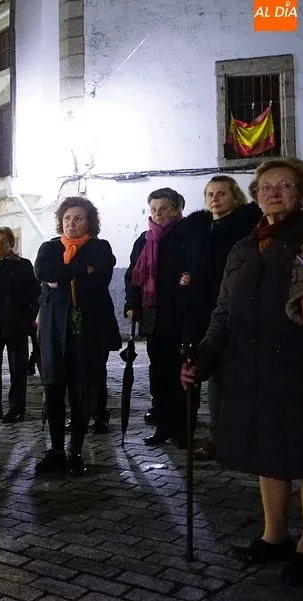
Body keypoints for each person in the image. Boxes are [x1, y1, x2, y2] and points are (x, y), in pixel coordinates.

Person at [183, 157, 303, 586]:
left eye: (285, 186)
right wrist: (203, 358)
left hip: (302, 363)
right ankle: (274, 535)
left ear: (301, 195)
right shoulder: (243, 248)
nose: (274, 193)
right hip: (250, 363)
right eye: (266, 187)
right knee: (267, 449)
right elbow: (223, 310)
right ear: (256, 195)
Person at [34, 197, 120, 477]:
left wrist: (65, 275)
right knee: (54, 389)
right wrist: (80, 271)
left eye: (79, 218)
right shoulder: (49, 247)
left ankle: (75, 451)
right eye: (68, 218)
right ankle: (56, 450)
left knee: (82, 391)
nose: (72, 223)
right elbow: (41, 271)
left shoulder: (100, 247)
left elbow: (100, 278)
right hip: (53, 332)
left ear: (89, 222)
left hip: (88, 331)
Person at [180, 176, 260, 460]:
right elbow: (189, 261)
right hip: (204, 311)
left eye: (222, 194)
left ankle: (245, 434)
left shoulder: (246, 227)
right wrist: (187, 276)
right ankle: (217, 436)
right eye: (210, 194)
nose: (215, 199)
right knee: (212, 373)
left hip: (239, 309)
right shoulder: (198, 229)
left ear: (234, 197)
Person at [124, 188, 189, 445]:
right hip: (153, 315)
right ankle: (163, 425)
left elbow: (196, 266)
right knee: (159, 373)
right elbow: (132, 276)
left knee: (182, 372)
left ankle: (183, 429)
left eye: (163, 209)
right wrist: (132, 304)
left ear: (176, 209)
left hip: (180, 315)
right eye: (153, 209)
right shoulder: (144, 240)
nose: (158, 214)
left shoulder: (188, 235)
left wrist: (190, 278)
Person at [0, 227, 40, 422]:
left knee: (17, 370)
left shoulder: (23, 266)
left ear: (12, 245)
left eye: (3, 242)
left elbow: (35, 294)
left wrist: (28, 318)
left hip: (15, 325)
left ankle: (16, 408)